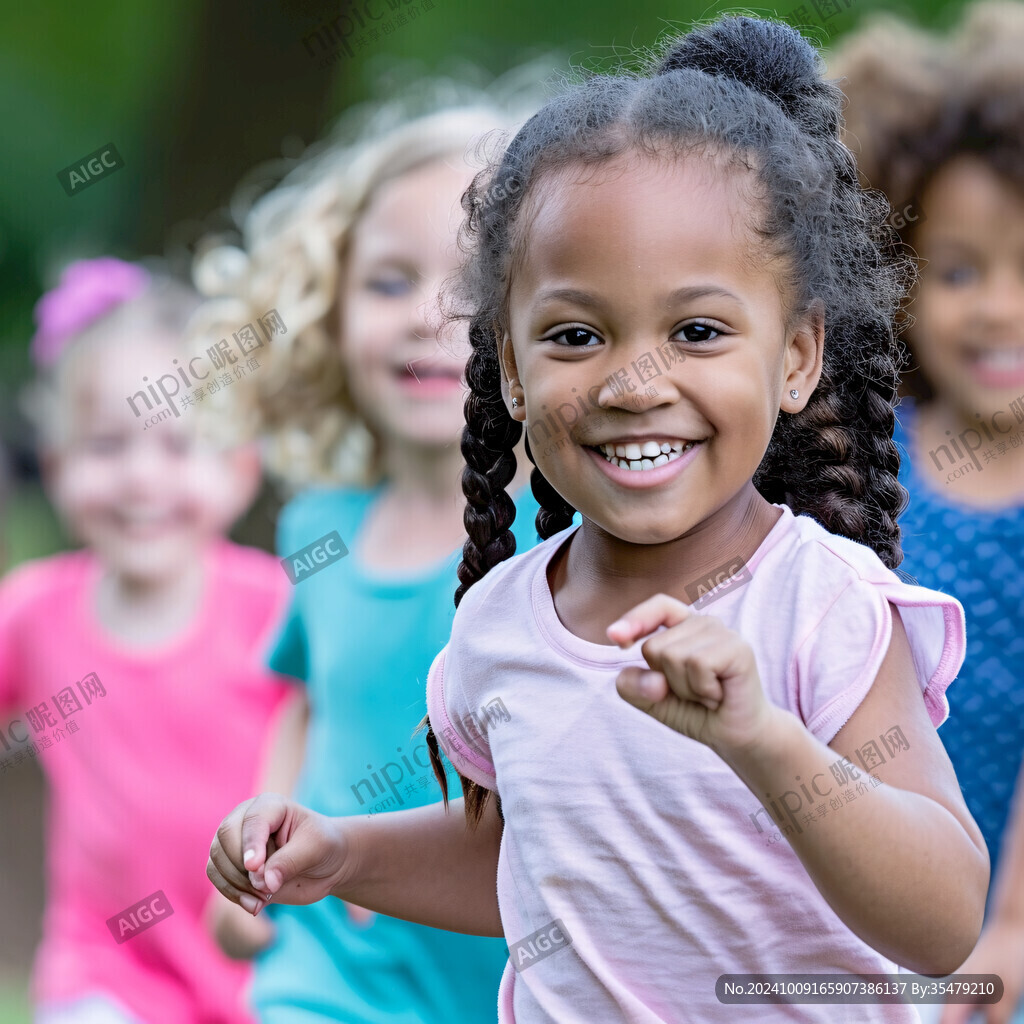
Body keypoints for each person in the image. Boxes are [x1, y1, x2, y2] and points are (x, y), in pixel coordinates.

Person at [208, 16, 991, 1023]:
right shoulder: (501, 621)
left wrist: (763, 739)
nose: (632, 382)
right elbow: (527, 856)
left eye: (696, 330)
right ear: (510, 372)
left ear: (796, 356)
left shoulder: (822, 602)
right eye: (576, 334)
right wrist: (345, 851)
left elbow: (940, 917)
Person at [193, 83, 543, 1022]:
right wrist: (258, 845)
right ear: (327, 304)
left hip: (506, 980)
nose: (428, 314)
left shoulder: (570, 545)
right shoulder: (320, 529)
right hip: (325, 983)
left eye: (472, 287)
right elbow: (311, 704)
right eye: (388, 280)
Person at [0, 257, 292, 1024]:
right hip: (103, 969)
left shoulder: (275, 605)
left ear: (238, 468)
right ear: (58, 466)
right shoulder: (33, 611)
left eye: (177, 447)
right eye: (105, 447)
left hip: (266, 960)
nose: (140, 479)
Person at [832, 6, 1024, 1021]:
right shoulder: (863, 447)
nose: (999, 308)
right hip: (858, 895)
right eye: (958, 271)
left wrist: (1009, 930)